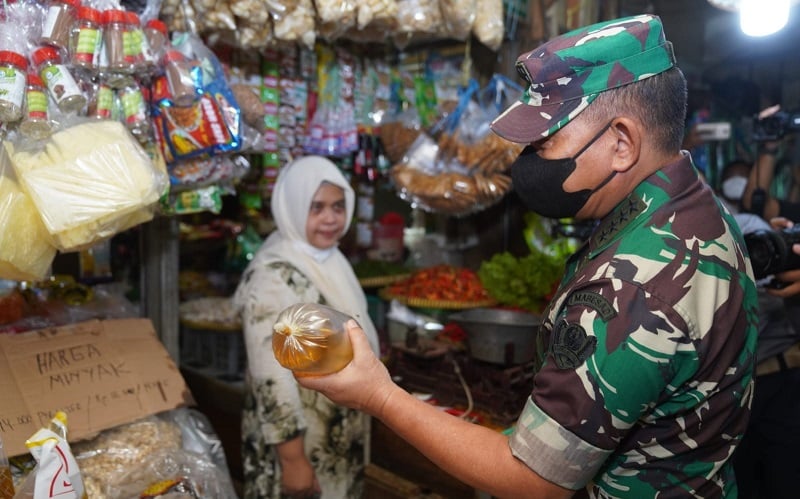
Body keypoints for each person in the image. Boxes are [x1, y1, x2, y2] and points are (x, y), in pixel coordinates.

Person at [296, 14, 759, 498]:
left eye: (546, 142)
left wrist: (379, 395)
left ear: (621, 144)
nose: (532, 162)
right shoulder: (701, 213)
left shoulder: (632, 285)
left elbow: (533, 480)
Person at [232, 155, 380, 499]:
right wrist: (293, 460)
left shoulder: (329, 259)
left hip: (335, 439)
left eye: (338, 206)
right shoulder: (272, 276)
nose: (331, 219)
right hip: (301, 447)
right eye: (317, 208)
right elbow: (272, 378)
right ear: (293, 208)